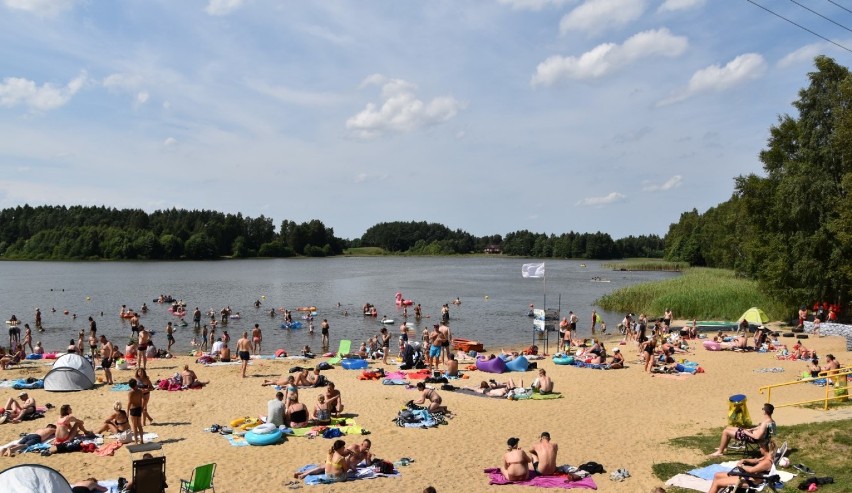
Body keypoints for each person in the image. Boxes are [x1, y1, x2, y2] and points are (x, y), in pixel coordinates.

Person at [708, 441, 777, 493]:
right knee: (717, 475)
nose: (759, 449)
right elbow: (756, 460)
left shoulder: (767, 462)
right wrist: (744, 460)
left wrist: (742, 466)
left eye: (760, 447)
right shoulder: (766, 457)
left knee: (717, 483)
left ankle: (715, 489)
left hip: (753, 481)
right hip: (750, 477)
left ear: (764, 448)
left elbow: (752, 470)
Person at [709, 403, 775, 456]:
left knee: (725, 432)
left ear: (765, 411)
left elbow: (757, 437)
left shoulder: (765, 422)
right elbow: (761, 428)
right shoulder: (770, 421)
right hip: (751, 433)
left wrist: (746, 432)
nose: (762, 410)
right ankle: (724, 447)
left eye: (763, 409)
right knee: (728, 427)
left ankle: (720, 451)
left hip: (750, 437)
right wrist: (751, 429)